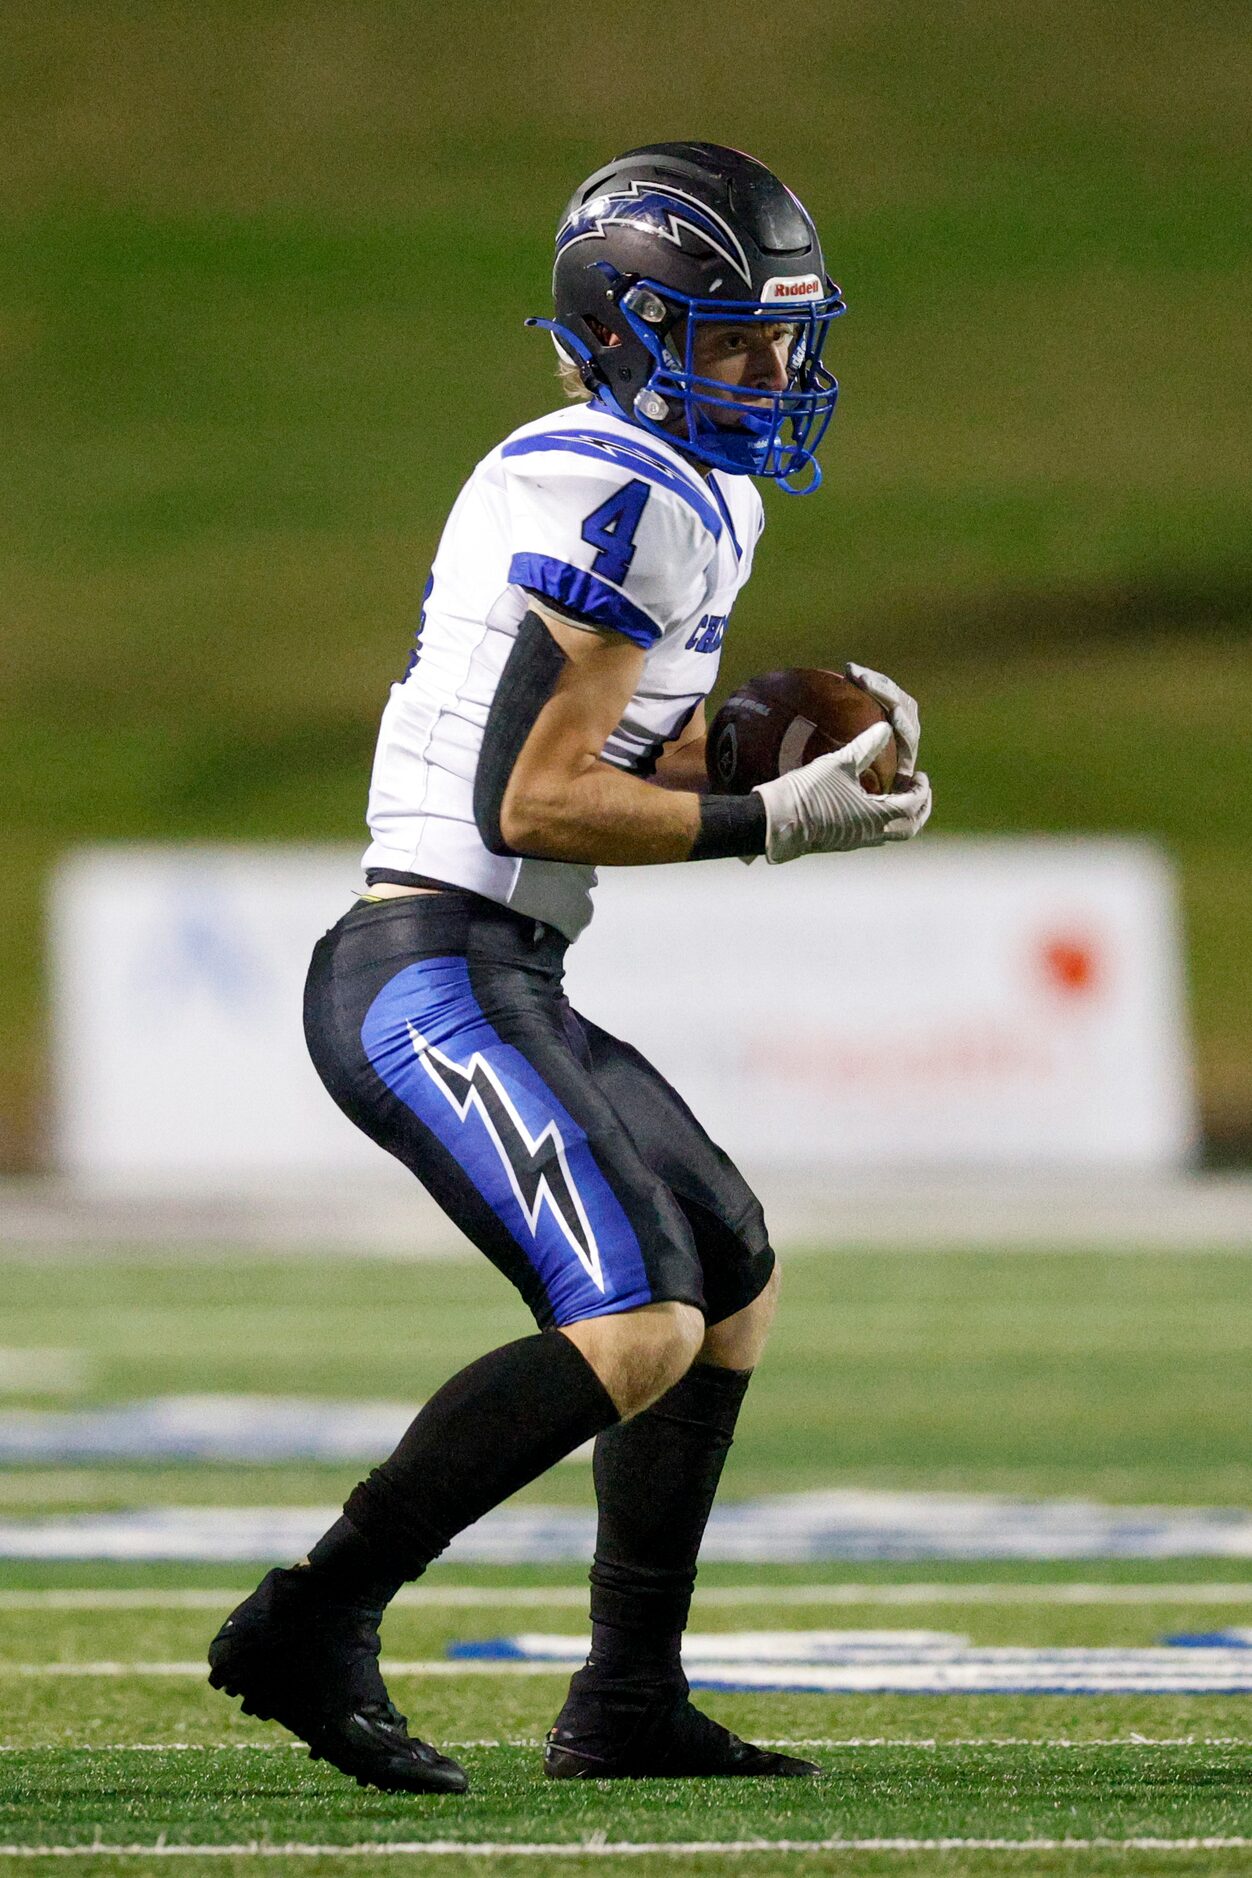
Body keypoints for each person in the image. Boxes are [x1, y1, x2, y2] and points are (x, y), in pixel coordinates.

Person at [208, 140, 931, 1795]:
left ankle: (624, 1698)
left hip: (502, 961)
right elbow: (530, 797)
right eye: (733, 335)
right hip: (425, 967)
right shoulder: (611, 483)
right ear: (625, 328)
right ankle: (311, 1617)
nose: (773, 369)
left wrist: (782, 766)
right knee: (639, 1318)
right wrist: (767, 817)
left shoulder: (696, 489)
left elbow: (619, 764)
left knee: (729, 1276)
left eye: (785, 335)